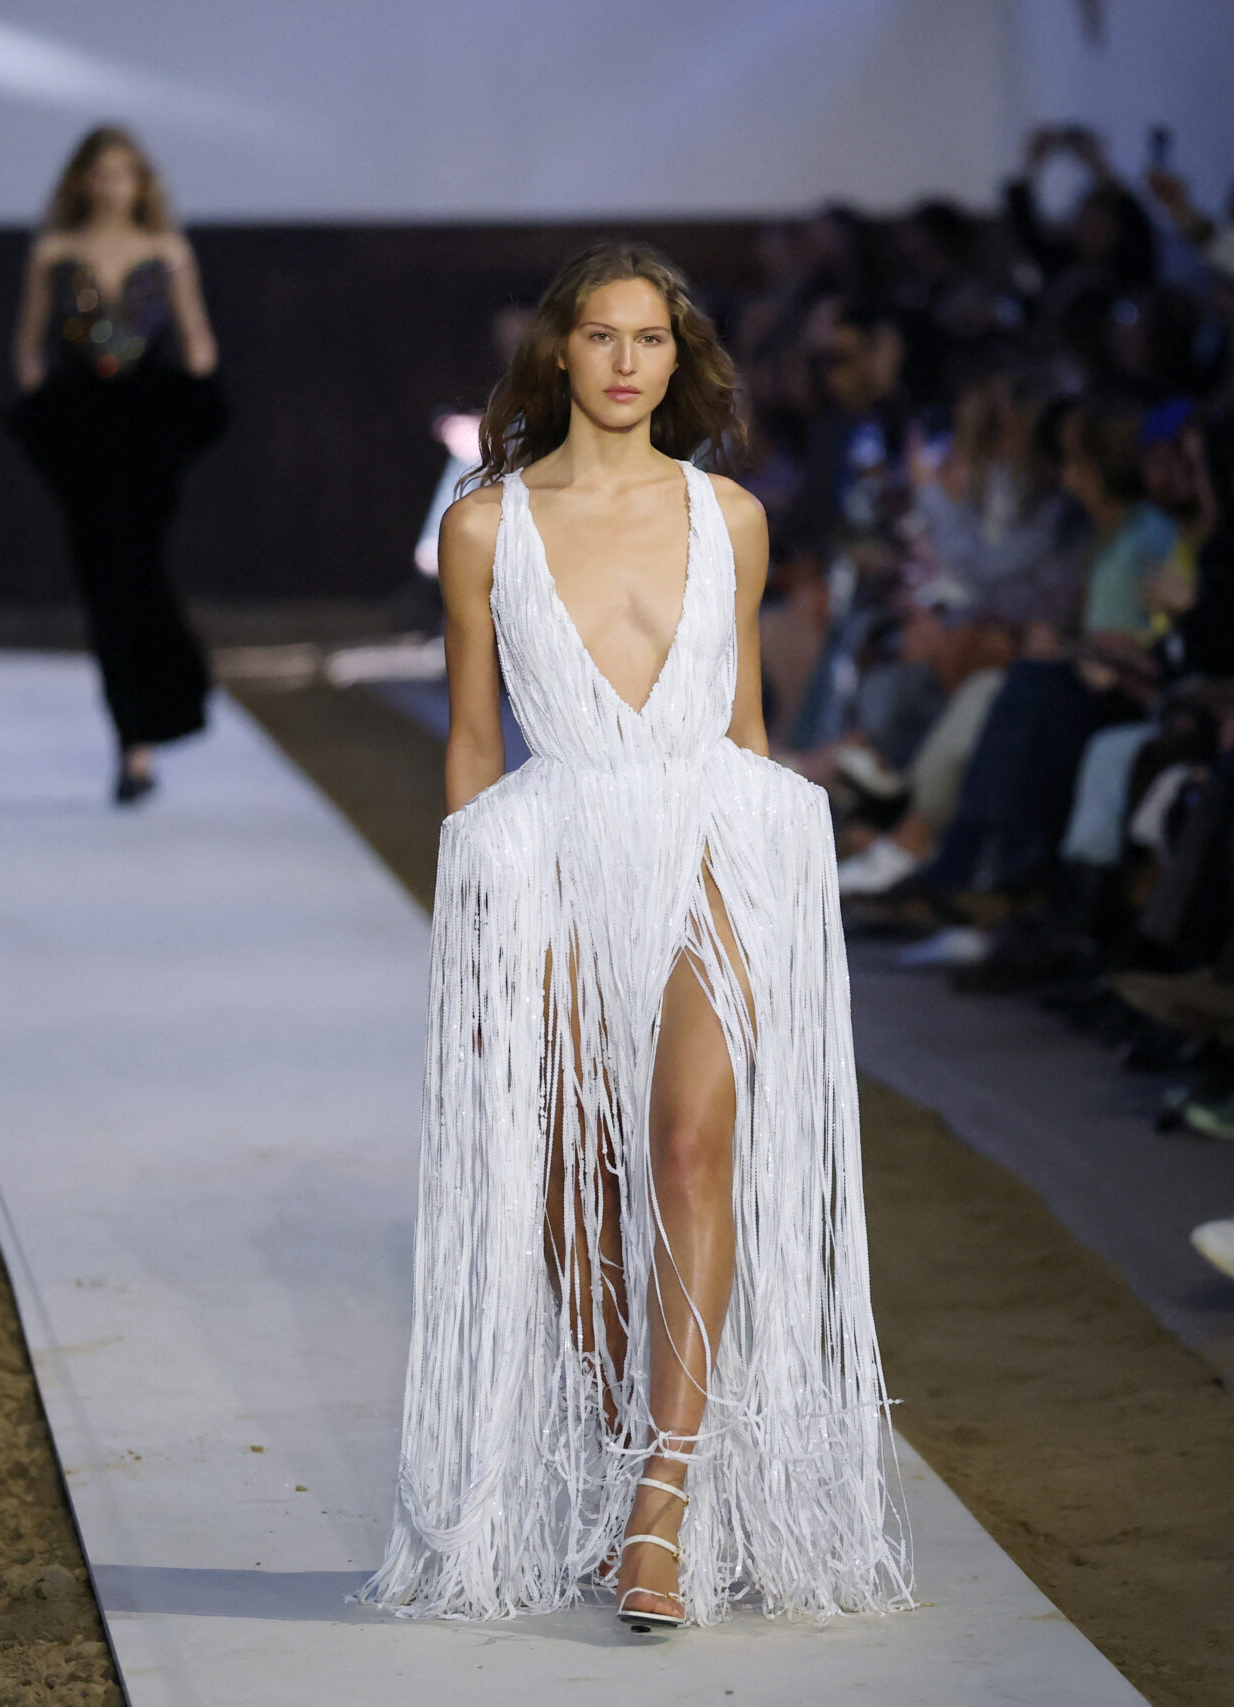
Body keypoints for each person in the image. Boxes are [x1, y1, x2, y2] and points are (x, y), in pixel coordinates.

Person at [364, 242, 911, 1632]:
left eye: (651, 339)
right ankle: (625, 1429)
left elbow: (746, 727)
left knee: (685, 1146)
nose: (625, 362)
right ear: (560, 351)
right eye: (602, 336)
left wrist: (772, 900)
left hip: (715, 835)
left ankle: (660, 1502)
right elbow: (473, 739)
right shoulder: (486, 525)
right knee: (572, 1177)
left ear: (680, 358)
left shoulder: (729, 515)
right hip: (549, 845)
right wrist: (475, 930)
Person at [7, 125, 224, 806]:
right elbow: (29, 345)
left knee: (138, 568)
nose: (110, 186)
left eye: (123, 173)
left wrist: (190, 413)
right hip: (81, 429)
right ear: (82, 180)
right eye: (100, 174)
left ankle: (156, 716)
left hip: (149, 427)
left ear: (140, 182)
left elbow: (197, 342)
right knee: (104, 578)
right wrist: (47, 410)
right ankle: (134, 739)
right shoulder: (53, 252)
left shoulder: (167, 251)